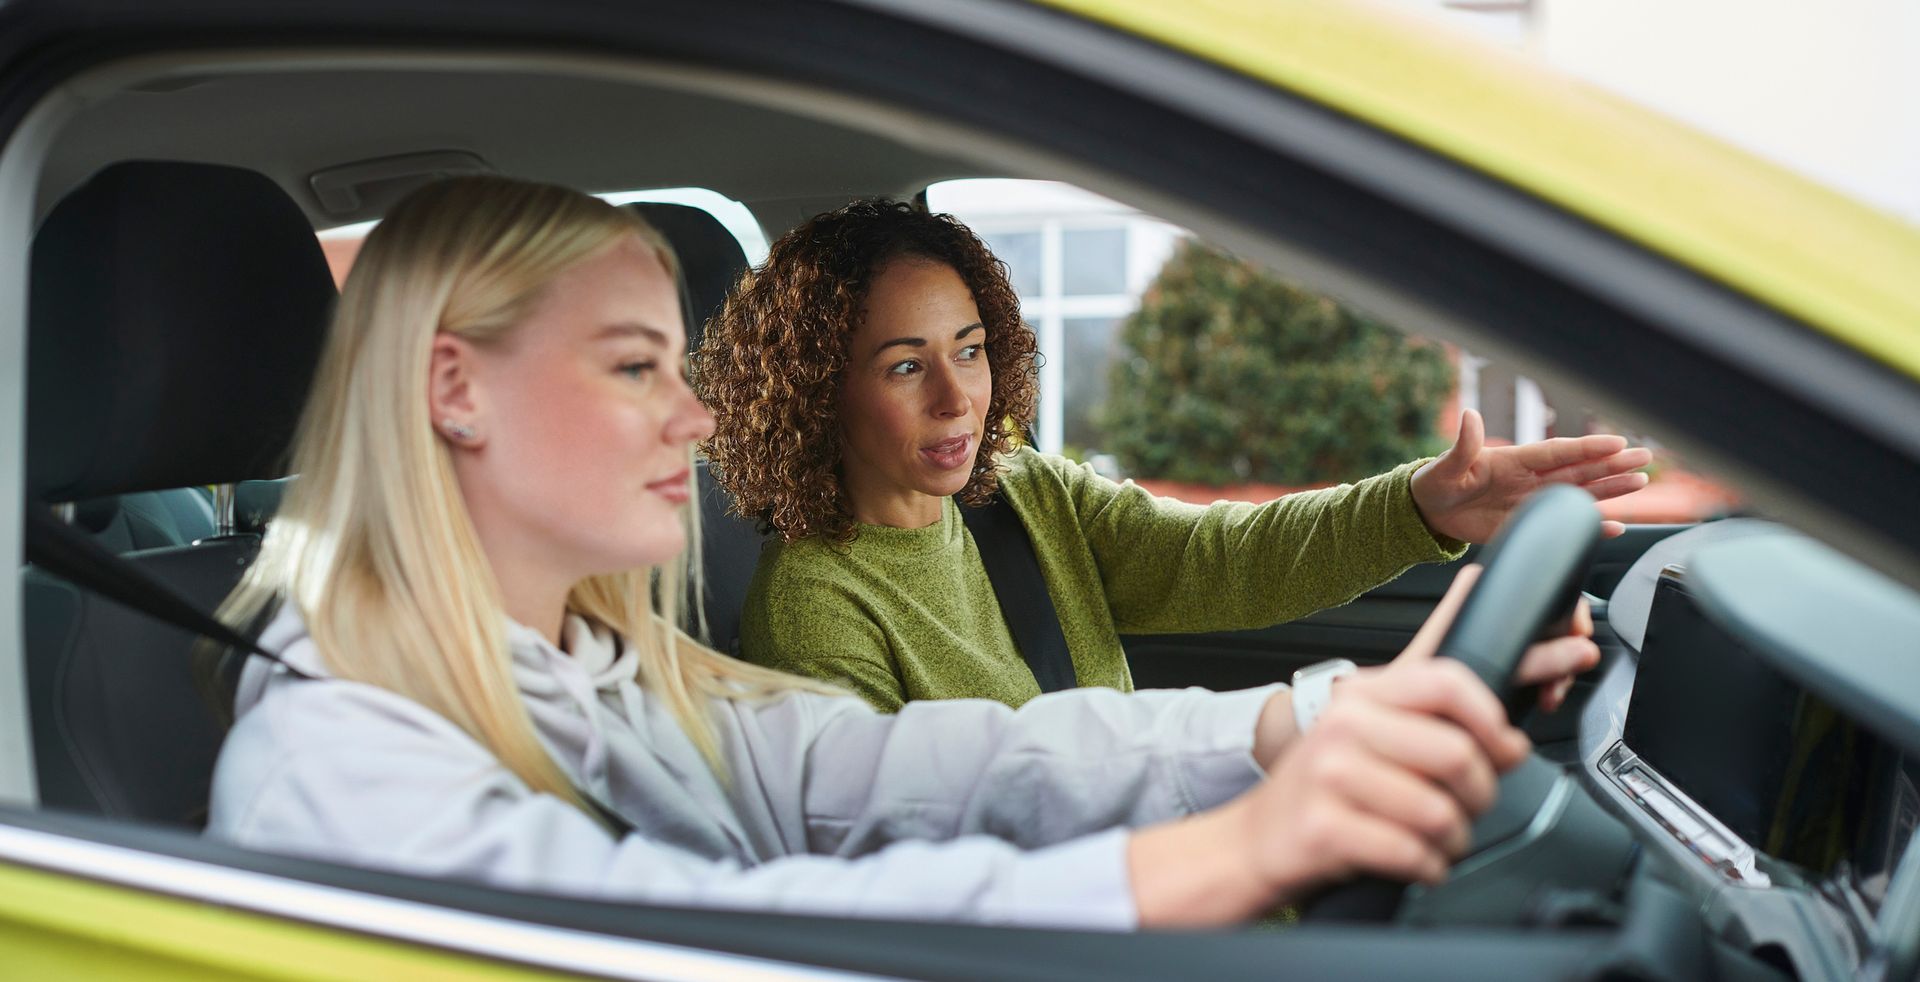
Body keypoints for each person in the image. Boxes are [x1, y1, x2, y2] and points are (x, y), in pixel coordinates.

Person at [203, 175, 1599, 930]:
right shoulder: (340, 767)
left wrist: (1310, 722)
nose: (689, 418)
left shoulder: (610, 674)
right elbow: (712, 933)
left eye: (974, 353)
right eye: (634, 366)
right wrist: (1220, 855)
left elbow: (940, 762)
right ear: (454, 390)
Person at [699, 199, 1648, 712]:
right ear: (815, 387)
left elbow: (1219, 558)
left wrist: (1423, 506)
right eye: (907, 366)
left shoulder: (1019, 492)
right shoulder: (815, 609)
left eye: (971, 349)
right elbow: (917, 864)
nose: (958, 397)